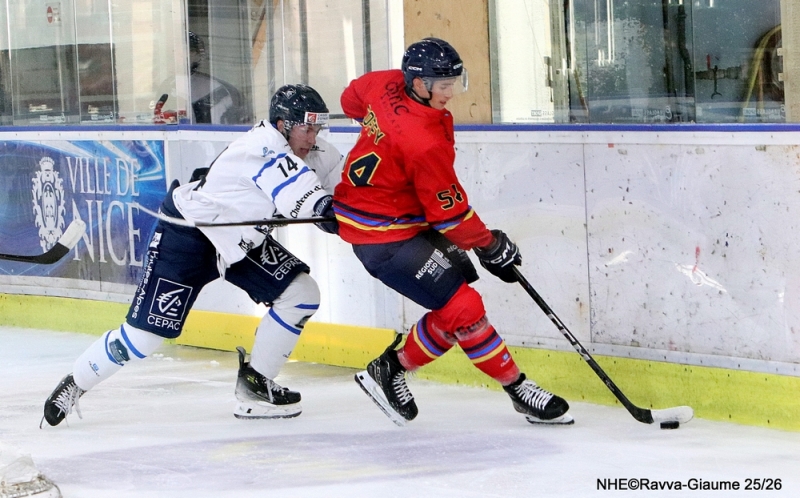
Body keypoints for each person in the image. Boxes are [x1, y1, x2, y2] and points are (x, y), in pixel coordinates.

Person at [42, 84, 341, 426]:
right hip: (189, 235)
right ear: (282, 124)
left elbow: (346, 191)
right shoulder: (263, 150)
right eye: (307, 127)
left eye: (317, 127)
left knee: (301, 294)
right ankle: (77, 382)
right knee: (143, 339)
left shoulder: (312, 150)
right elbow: (319, 208)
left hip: (237, 241)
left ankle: (256, 386)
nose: (313, 135)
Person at [334, 38, 573, 426]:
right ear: (417, 82)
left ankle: (389, 370)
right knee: (464, 309)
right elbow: (451, 217)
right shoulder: (423, 142)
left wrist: (381, 134)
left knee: (456, 306)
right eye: (440, 84)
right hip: (384, 235)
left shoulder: (385, 83)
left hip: (394, 218)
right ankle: (515, 389)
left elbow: (350, 99)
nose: (450, 92)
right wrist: (491, 244)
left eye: (453, 82)